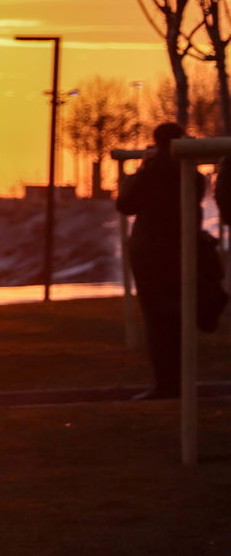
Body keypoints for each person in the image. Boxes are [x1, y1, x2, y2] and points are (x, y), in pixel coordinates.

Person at [119, 122, 191, 399]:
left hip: (151, 254)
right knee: (178, 318)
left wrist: (141, 169)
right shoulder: (187, 171)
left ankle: (166, 383)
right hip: (181, 250)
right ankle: (180, 379)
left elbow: (125, 204)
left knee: (157, 321)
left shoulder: (151, 172)